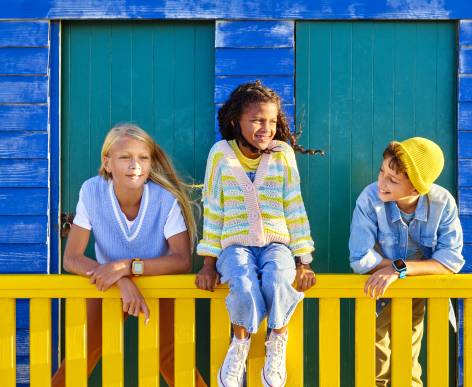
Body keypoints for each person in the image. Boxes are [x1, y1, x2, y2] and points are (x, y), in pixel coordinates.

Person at [53, 124, 207, 387]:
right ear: (108, 162)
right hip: (108, 284)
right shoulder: (92, 191)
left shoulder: (164, 199)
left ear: (150, 164)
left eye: (143, 158)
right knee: (81, 355)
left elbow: (182, 260)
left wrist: (127, 267)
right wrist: (120, 279)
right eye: (125, 157)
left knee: (170, 358)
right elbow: (72, 258)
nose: (134, 165)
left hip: (157, 283)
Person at [195, 81, 319, 387]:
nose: (266, 128)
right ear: (237, 120)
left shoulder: (283, 155)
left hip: (277, 244)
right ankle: (239, 345)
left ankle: (277, 339)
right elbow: (212, 208)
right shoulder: (220, 154)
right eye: (257, 120)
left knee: (279, 278)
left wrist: (303, 261)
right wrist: (208, 264)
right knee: (243, 281)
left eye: (272, 121)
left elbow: (294, 206)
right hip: (234, 246)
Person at [348, 137, 464, 386]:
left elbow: (451, 260)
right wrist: (391, 269)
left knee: (407, 362)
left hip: (415, 290)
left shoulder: (442, 203)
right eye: (381, 172)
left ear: (416, 189)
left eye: (392, 180)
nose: (381, 183)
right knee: (376, 364)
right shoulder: (369, 199)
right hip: (376, 290)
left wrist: (399, 269)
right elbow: (360, 258)